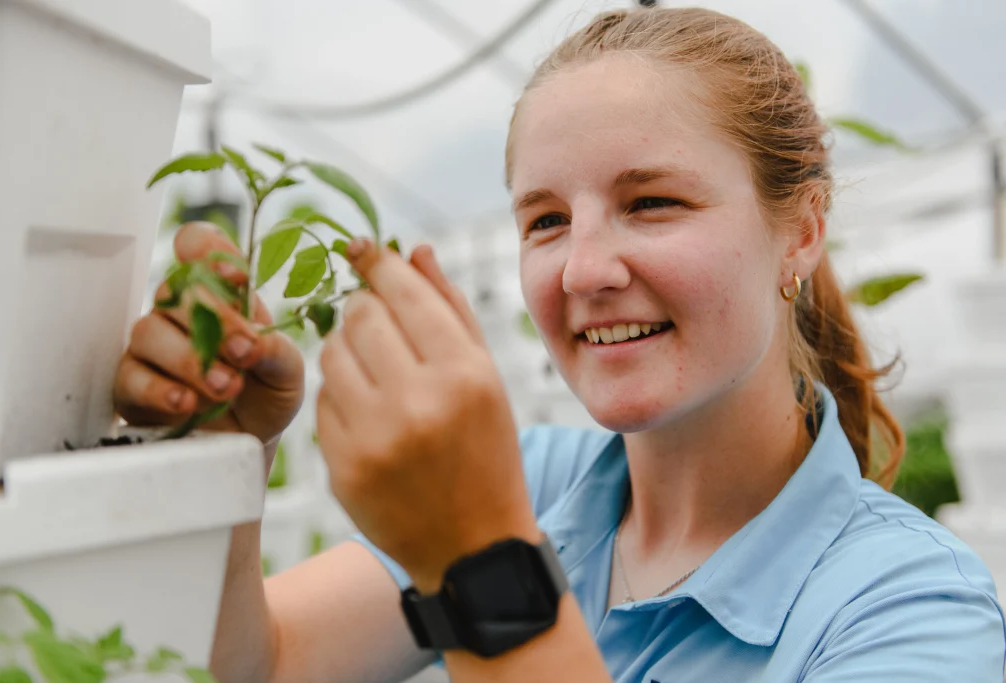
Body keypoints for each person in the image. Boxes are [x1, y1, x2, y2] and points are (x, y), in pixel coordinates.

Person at [114, 6, 1006, 682]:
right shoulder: (535, 480)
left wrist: (478, 556)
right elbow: (257, 665)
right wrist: (232, 458)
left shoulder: (907, 608)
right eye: (544, 219)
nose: (582, 270)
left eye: (652, 201)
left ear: (803, 230)